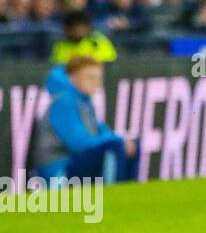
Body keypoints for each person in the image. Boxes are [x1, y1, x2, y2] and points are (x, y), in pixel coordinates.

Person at [29, 56, 137, 185]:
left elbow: (100, 130)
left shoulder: (84, 102)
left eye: (99, 78)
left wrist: (121, 141)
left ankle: (127, 189)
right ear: (73, 78)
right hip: (58, 172)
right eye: (90, 78)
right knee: (113, 147)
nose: (97, 83)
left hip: (73, 163)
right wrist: (117, 141)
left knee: (131, 144)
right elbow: (78, 143)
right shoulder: (64, 103)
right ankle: (113, 192)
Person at [49, 10, 118, 64]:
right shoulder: (60, 46)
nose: (78, 31)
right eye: (74, 27)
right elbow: (58, 67)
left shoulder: (98, 41)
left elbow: (108, 63)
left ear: (88, 27)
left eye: (81, 27)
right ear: (66, 30)